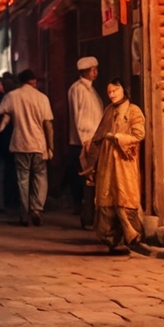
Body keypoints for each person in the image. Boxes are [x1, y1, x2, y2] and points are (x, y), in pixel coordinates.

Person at [82, 78, 145, 255]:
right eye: (109, 92)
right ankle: (112, 241)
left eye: (115, 91)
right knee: (107, 199)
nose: (112, 95)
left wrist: (118, 137)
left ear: (123, 90)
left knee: (124, 198)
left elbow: (139, 134)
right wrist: (91, 162)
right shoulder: (109, 110)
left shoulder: (134, 111)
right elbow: (98, 135)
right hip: (107, 160)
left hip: (124, 162)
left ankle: (129, 237)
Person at [0, 68, 54, 227]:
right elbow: (48, 125)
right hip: (38, 145)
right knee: (40, 177)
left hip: (20, 144)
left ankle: (24, 213)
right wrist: (51, 147)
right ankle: (37, 208)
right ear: (33, 81)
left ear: (20, 81)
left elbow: (4, 118)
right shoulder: (42, 98)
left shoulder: (12, 96)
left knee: (23, 179)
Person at [66, 56, 104, 228]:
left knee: (92, 181)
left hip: (92, 141)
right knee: (86, 182)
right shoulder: (78, 89)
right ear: (85, 71)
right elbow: (79, 118)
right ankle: (86, 218)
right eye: (92, 69)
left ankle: (91, 217)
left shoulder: (91, 90)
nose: (95, 72)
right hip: (84, 143)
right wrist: (85, 142)